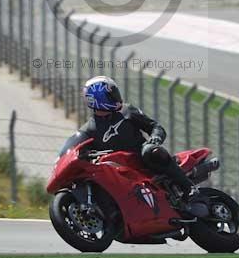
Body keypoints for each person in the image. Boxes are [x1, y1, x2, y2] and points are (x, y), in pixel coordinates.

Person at [59, 75, 196, 202]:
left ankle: (189, 188)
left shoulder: (127, 111)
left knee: (149, 150)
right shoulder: (89, 129)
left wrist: (155, 139)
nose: (116, 96)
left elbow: (155, 127)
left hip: (144, 161)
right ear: (99, 98)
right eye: (111, 94)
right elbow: (73, 148)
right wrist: (67, 157)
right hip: (119, 171)